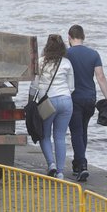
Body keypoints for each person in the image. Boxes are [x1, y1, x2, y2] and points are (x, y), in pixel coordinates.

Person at [66, 24, 107, 182]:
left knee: (76, 132)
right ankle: (77, 163)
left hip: (74, 98)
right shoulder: (93, 54)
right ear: (83, 37)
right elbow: (101, 77)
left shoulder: (66, 54)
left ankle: (82, 165)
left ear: (69, 37)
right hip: (90, 98)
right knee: (83, 130)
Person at [34, 34, 74, 179]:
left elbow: (35, 86)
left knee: (45, 135)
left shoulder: (40, 62)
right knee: (60, 137)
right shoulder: (66, 63)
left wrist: (31, 102)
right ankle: (61, 172)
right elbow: (72, 87)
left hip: (47, 103)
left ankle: (51, 164)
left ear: (47, 47)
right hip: (65, 101)